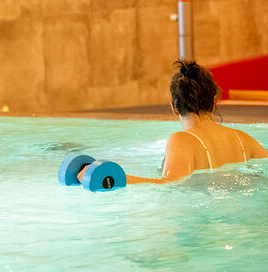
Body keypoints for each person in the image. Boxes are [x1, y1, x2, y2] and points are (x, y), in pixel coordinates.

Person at [82, 60, 268, 185]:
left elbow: (169, 185)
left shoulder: (182, 141)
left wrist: (105, 178)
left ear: (174, 107)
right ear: (214, 101)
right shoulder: (245, 140)